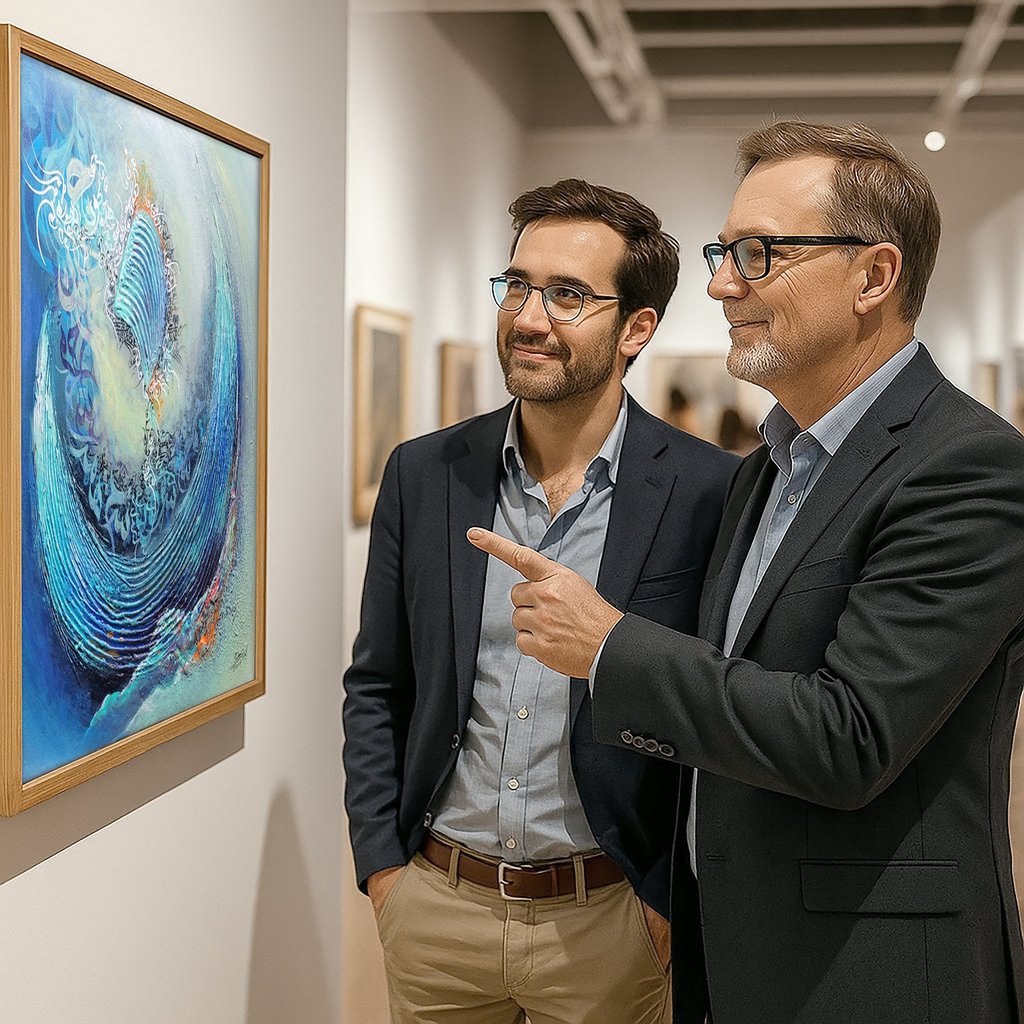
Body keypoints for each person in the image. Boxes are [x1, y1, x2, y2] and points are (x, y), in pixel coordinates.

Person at [469, 123, 1024, 1024]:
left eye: (759, 254)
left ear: (874, 277)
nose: (722, 282)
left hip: (870, 972)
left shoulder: (968, 468)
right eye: (727, 252)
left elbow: (848, 738)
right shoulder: (769, 466)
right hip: (735, 945)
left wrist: (611, 647)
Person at [343, 178, 737, 1024]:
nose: (526, 318)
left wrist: (668, 892)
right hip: (438, 906)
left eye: (567, 295)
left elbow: (716, 708)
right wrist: (382, 868)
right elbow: (379, 681)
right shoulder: (425, 473)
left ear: (637, 328)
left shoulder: (710, 491)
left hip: (608, 916)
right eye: (517, 285)